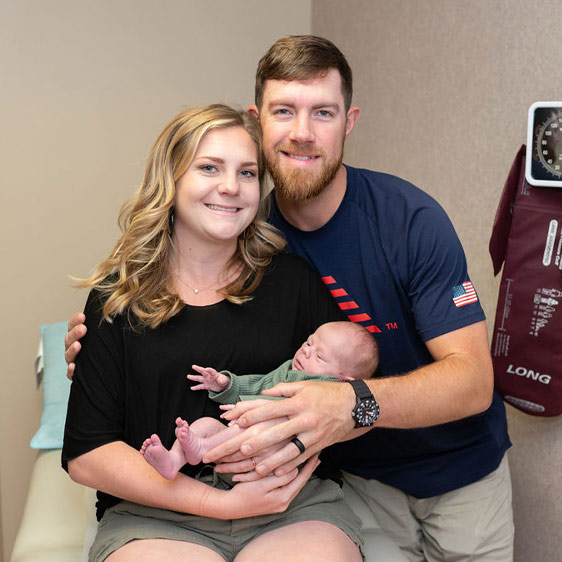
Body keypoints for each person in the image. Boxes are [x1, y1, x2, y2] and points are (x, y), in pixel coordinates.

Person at [65, 36, 514, 562]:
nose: (302, 133)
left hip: (454, 465)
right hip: (360, 476)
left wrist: (348, 404)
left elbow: (472, 380)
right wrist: (97, 354)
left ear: (349, 121)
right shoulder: (244, 232)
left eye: (322, 112)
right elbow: (95, 435)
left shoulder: (402, 224)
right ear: (260, 122)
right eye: (284, 111)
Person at [62, 104, 364, 562]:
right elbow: (88, 454)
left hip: (289, 505)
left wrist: (294, 447)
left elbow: (353, 398)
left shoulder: (293, 281)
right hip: (156, 515)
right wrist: (220, 502)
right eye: (209, 168)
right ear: (172, 179)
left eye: (247, 173)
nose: (230, 186)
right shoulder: (117, 298)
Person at [141, 321, 379, 479]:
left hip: (273, 453)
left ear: (343, 381)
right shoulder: (287, 369)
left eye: (319, 355)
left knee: (261, 424)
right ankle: (174, 460)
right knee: (203, 424)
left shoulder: (326, 390)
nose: (306, 351)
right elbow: (259, 384)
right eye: (309, 342)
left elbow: (296, 421)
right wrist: (226, 384)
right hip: (235, 440)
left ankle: (203, 448)